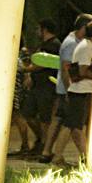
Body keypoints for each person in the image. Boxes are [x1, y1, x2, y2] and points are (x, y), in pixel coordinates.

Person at [39, 13, 92, 164]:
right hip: (70, 88)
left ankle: (49, 152)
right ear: (84, 27)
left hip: (70, 88)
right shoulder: (72, 43)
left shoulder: (77, 42)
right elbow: (66, 69)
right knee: (70, 123)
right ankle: (57, 154)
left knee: (67, 122)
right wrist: (70, 90)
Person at [21, 19, 61, 158]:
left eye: (39, 29)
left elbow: (42, 64)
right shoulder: (44, 44)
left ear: (45, 29)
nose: (37, 32)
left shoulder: (54, 45)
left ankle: (44, 145)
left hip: (47, 86)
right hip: (37, 85)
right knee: (28, 113)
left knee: (45, 118)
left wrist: (25, 69)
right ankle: (40, 140)